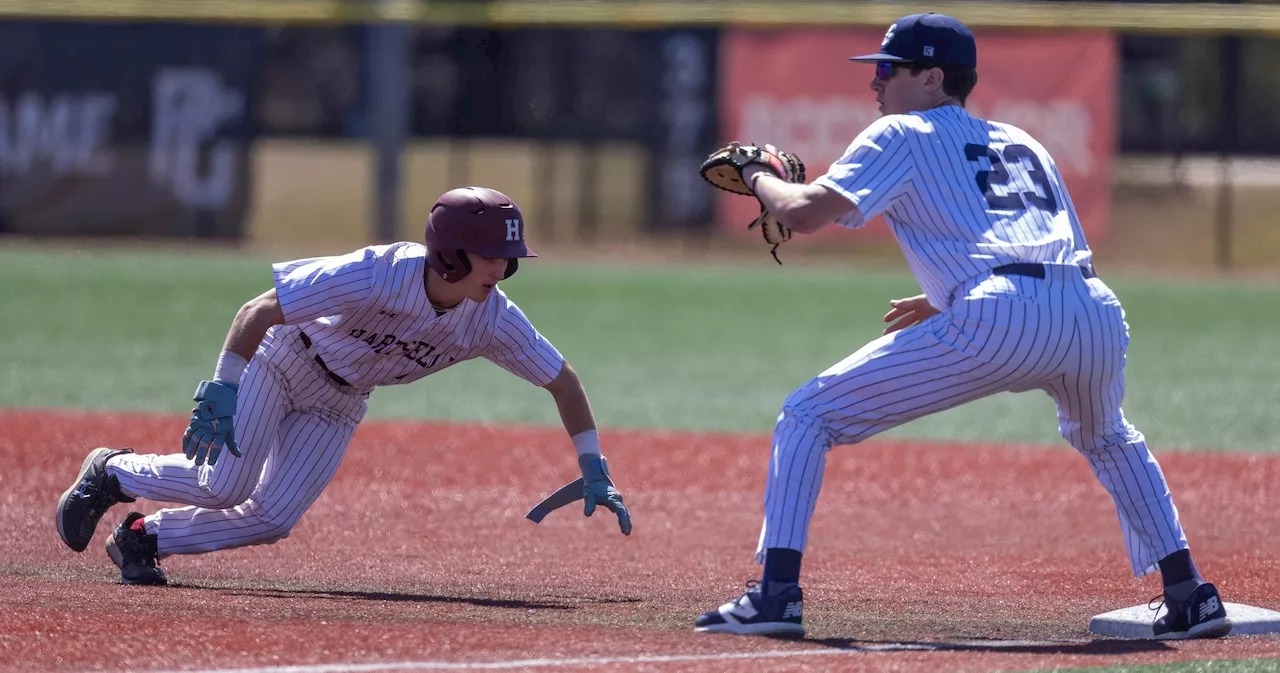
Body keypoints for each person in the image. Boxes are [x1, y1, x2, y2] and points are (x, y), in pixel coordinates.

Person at [693, 13, 1230, 640]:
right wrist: (946, 297)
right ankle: (1190, 594)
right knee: (1109, 437)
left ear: (933, 78)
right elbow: (1034, 242)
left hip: (1000, 314)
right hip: (1091, 309)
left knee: (807, 415)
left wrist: (761, 177)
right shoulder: (1024, 140)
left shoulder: (901, 131)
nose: (877, 83)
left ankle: (775, 596)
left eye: (889, 70)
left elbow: (806, 214)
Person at [55, 186, 632, 585]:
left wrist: (593, 464)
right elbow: (259, 310)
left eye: (509, 258)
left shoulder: (492, 317)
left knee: (274, 518)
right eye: (492, 255)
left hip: (339, 402)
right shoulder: (379, 272)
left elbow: (563, 382)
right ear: (451, 252)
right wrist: (225, 385)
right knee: (224, 484)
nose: (503, 269)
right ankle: (113, 470)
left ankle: (143, 540)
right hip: (287, 359)